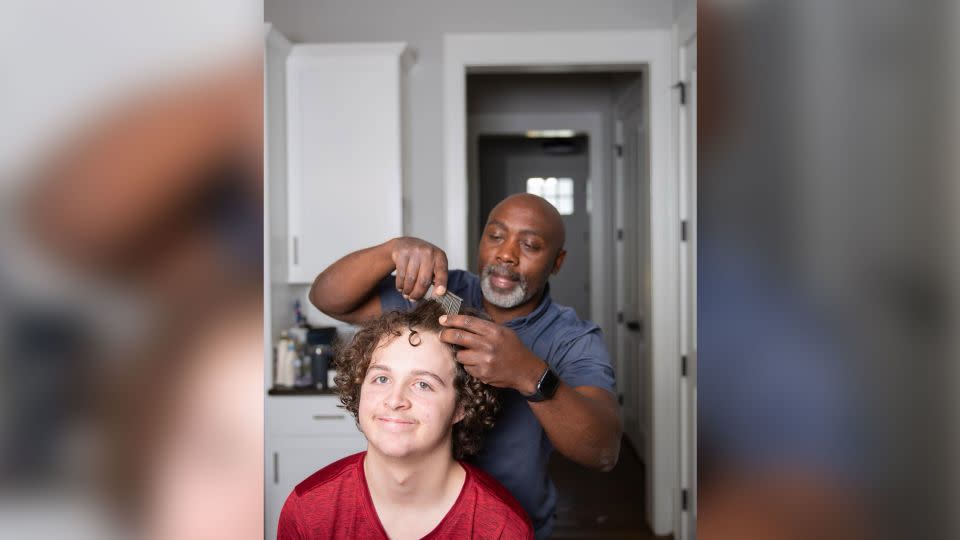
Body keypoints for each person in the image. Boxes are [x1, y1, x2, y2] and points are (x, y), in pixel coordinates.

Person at [308, 193, 621, 538]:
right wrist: (392, 250)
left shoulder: (571, 338)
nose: (506, 254)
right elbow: (327, 298)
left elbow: (603, 450)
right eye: (496, 236)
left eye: (530, 245)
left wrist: (528, 374)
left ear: (557, 262)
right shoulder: (441, 293)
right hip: (412, 516)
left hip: (510, 524)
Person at [277, 302, 533, 539]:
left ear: (461, 407)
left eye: (423, 384)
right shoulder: (307, 510)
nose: (395, 399)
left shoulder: (502, 527)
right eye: (382, 379)